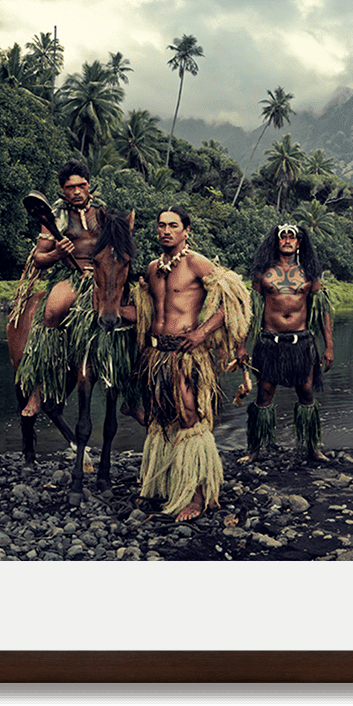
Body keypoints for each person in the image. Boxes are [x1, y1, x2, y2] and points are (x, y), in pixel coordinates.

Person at [133, 206, 250, 521]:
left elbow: (233, 300)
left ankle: (198, 497)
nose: (166, 231)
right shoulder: (152, 269)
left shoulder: (196, 263)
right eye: (161, 225)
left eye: (173, 225)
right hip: (157, 357)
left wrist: (202, 332)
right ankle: (166, 485)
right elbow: (142, 313)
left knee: (190, 417)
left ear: (186, 231)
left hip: (187, 356)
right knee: (162, 417)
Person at [11, 159, 114, 418]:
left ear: (89, 186)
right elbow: (38, 258)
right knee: (52, 311)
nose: (77, 191)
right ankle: (37, 389)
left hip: (104, 277)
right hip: (70, 276)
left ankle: (133, 391)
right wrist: (57, 252)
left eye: (82, 185)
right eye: (71, 187)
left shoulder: (103, 213)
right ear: (62, 190)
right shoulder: (54, 217)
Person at [237, 223, 334, 463]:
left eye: (293, 237)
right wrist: (241, 345)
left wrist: (329, 346)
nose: (288, 240)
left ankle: (312, 447)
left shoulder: (310, 274)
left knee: (307, 392)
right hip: (270, 342)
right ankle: (255, 449)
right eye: (284, 237)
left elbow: (322, 312)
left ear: (299, 243)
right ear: (277, 241)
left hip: (301, 342)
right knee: (264, 395)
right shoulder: (262, 273)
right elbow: (250, 311)